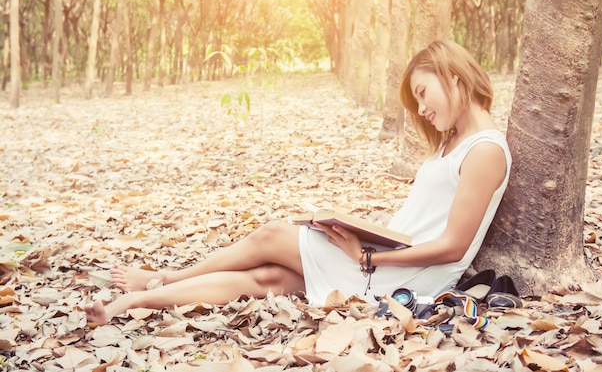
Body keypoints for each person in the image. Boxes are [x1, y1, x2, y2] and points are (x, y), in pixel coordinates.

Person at [85, 40, 511, 324]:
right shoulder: (456, 144)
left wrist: (367, 257)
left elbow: (453, 246)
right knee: (266, 279)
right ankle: (137, 300)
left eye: (422, 93)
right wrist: (365, 233)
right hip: (387, 259)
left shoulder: (485, 149)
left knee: (271, 235)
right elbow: (424, 221)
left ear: (454, 76)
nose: (420, 110)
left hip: (399, 277)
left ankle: (163, 276)